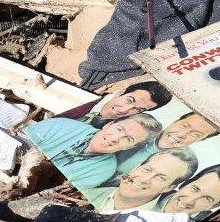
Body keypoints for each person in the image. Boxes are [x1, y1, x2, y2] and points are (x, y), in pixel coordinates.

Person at [24, 114, 162, 189]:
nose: (116, 139)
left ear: (129, 147)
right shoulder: (62, 125)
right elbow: (24, 141)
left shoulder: (103, 172)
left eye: (129, 139)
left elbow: (52, 189)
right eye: (119, 129)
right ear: (109, 124)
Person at [87, 148, 198, 213]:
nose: (145, 179)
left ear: (168, 187)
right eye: (146, 169)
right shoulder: (89, 191)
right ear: (135, 168)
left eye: (161, 177)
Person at [113, 112, 219, 176]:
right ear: (175, 121)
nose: (181, 135)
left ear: (200, 140)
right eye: (184, 126)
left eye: (195, 134)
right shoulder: (144, 130)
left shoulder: (183, 163)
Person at [154, 164, 220, 219]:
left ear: (214, 206)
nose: (188, 201)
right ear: (187, 182)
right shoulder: (151, 190)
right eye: (195, 189)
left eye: (207, 198)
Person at [69, 81, 173, 127]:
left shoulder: (108, 133)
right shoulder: (86, 102)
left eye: (138, 110)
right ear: (120, 93)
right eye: (129, 100)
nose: (124, 110)